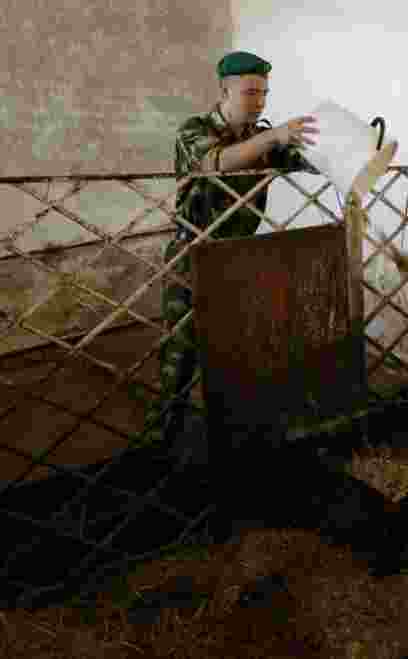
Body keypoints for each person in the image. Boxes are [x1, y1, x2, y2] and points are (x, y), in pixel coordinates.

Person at [155, 51, 321, 448]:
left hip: (239, 260)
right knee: (180, 359)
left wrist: (354, 150)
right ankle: (163, 442)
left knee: (236, 353)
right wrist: (273, 135)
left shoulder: (261, 138)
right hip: (191, 257)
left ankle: (230, 440)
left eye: (264, 93)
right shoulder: (194, 130)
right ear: (224, 90)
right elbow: (216, 162)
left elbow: (310, 160)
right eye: (251, 92)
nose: (260, 102)